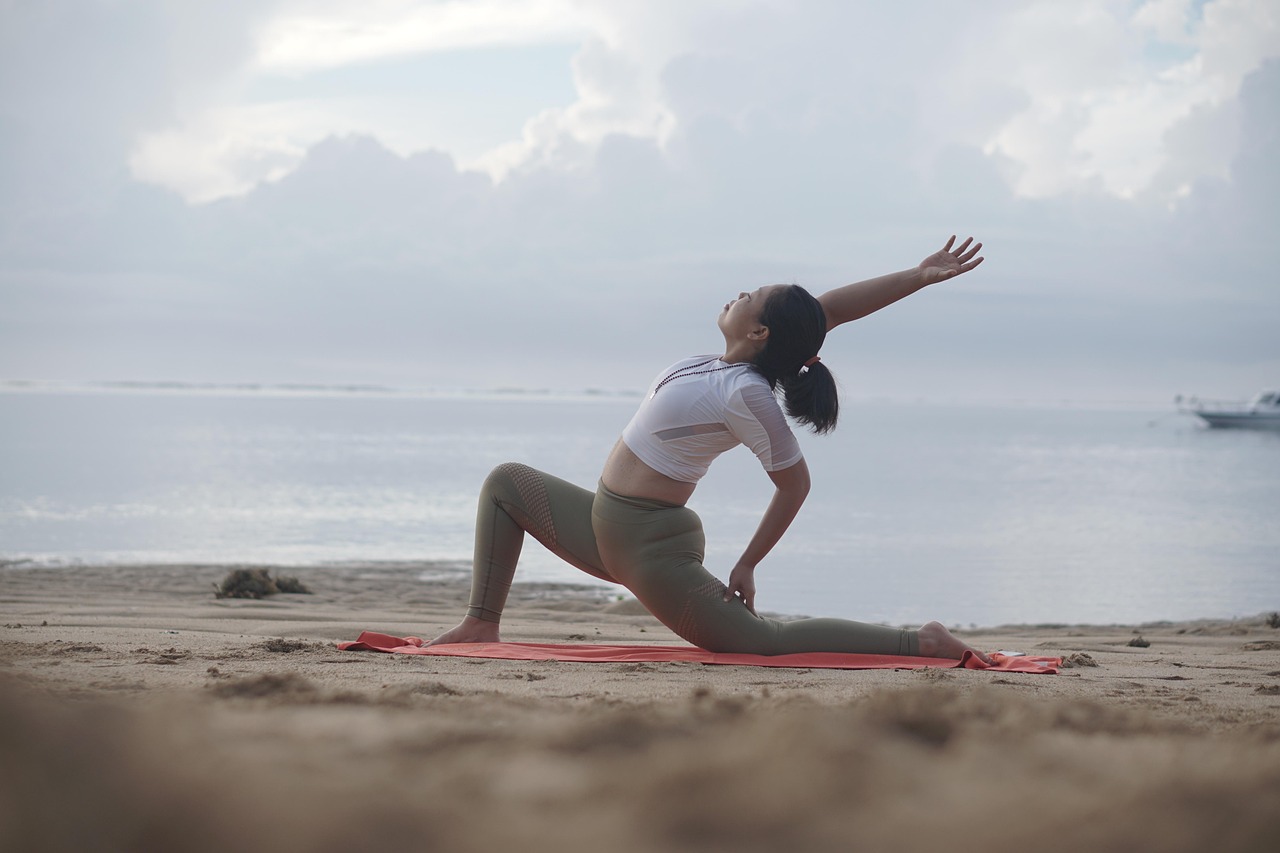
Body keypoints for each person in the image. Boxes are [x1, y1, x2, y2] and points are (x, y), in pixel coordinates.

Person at [429, 236, 990, 662]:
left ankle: (920, 641)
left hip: (647, 547)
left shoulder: (745, 394)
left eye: (753, 295)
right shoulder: (716, 365)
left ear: (760, 332)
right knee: (505, 483)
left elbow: (795, 484)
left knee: (762, 645)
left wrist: (747, 562)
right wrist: (917, 276)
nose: (741, 293)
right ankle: (481, 623)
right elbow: (830, 312)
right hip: (604, 521)